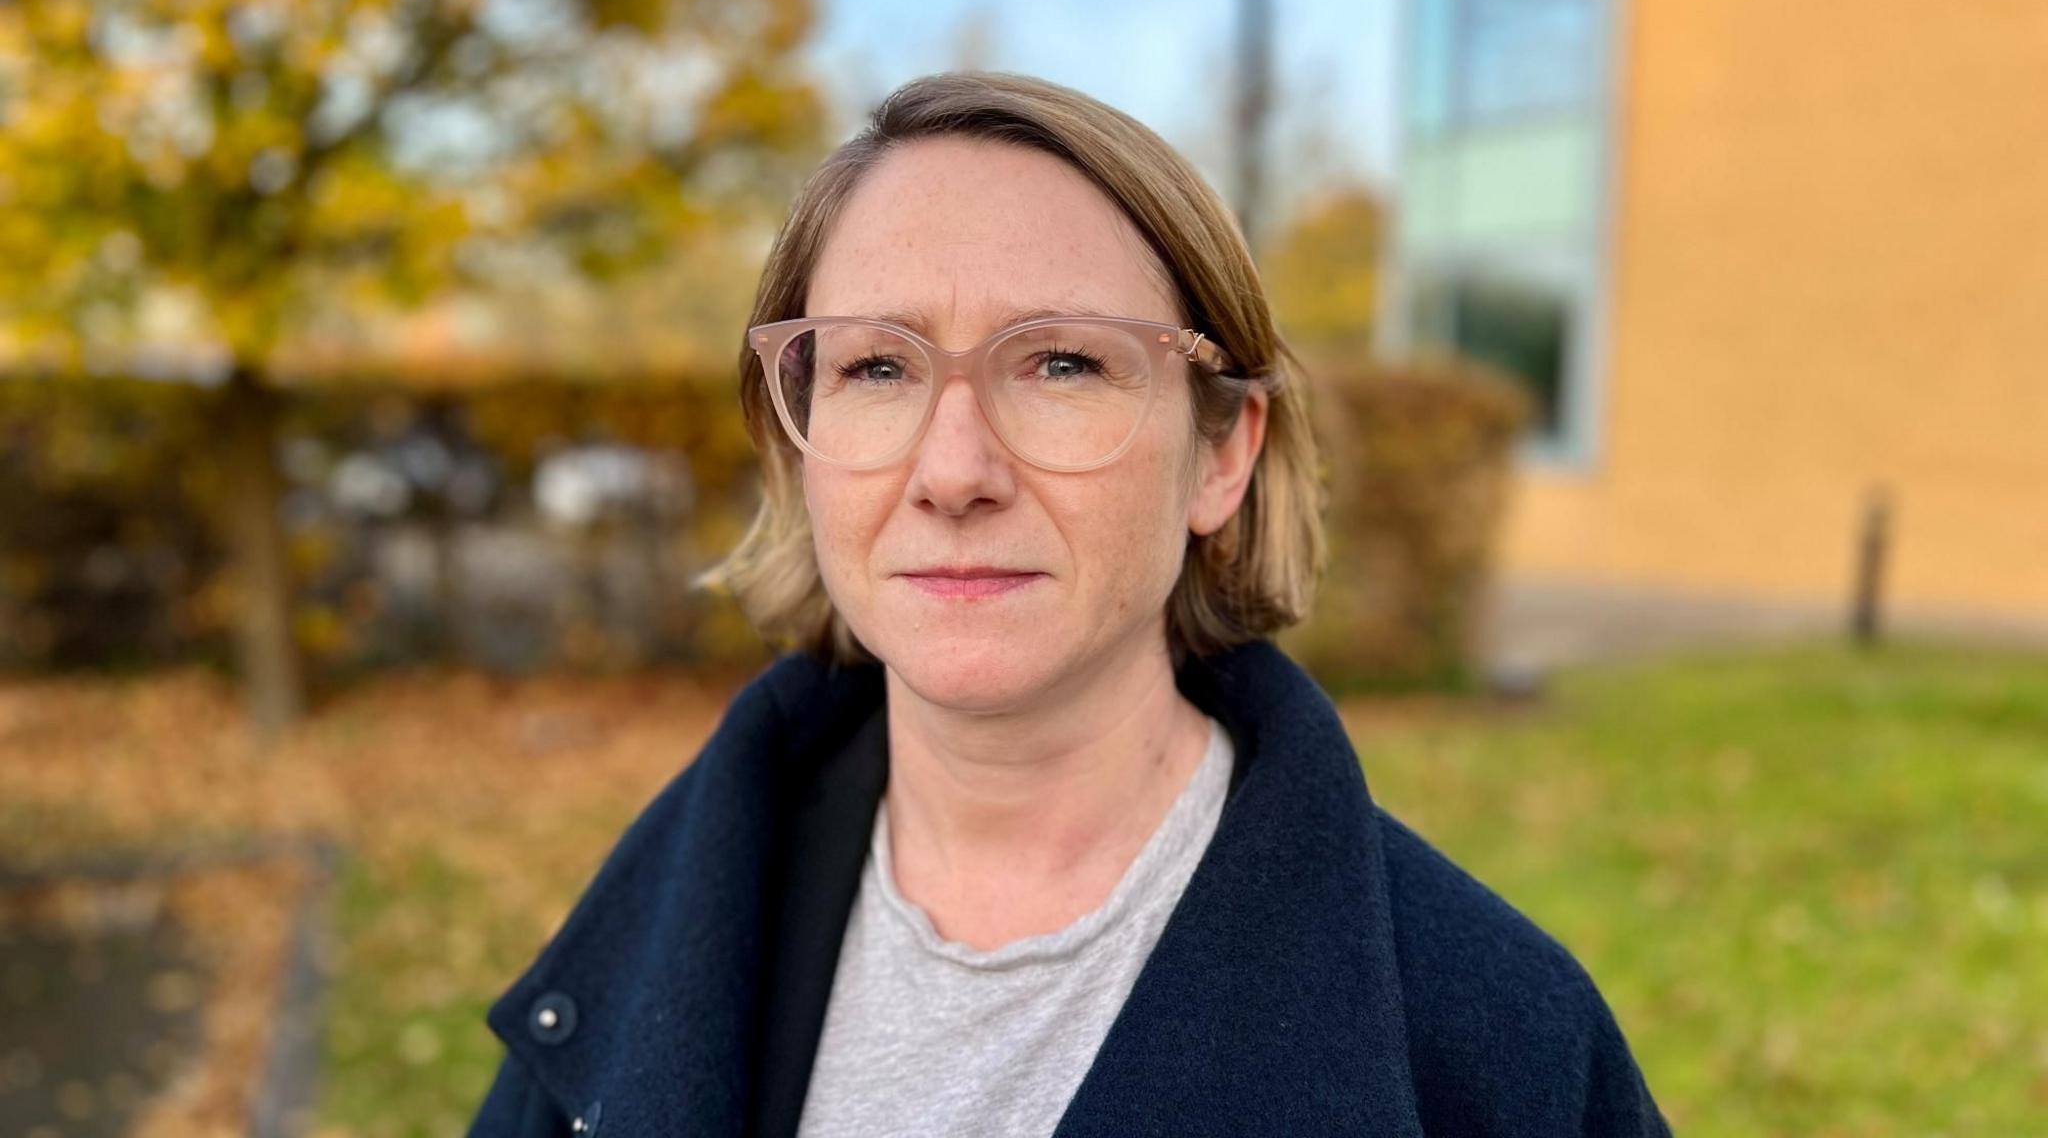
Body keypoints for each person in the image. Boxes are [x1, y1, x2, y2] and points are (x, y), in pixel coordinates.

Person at [467, 71, 1670, 1138]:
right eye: (875, 366)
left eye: (1061, 363)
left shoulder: (1496, 1043)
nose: (952, 473)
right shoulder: (666, 919)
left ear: (1220, 453)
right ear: (802, 438)